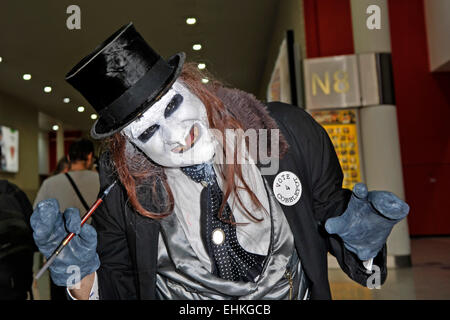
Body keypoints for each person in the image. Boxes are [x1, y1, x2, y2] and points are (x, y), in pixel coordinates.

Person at [30, 23, 409, 300]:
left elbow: (337, 230)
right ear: (132, 148)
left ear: (194, 87)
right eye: (147, 133)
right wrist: (83, 281)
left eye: (174, 106)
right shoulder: (122, 187)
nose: (176, 137)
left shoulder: (287, 134)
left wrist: (365, 245)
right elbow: (120, 283)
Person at [33, 138, 100, 300]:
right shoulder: (100, 180)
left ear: (69, 158)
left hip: (59, 255)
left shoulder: (50, 183)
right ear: (90, 157)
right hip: (93, 254)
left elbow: (37, 220)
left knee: (59, 294)